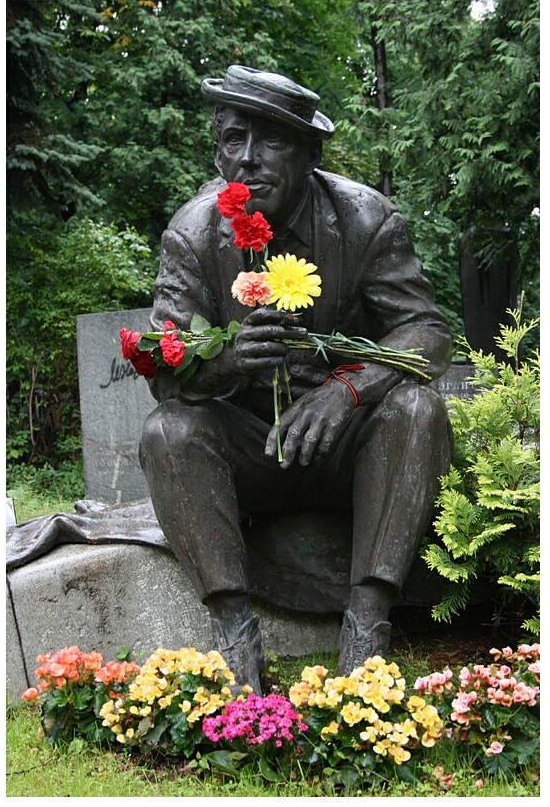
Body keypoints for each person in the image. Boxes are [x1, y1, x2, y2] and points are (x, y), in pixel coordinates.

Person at [139, 65, 453, 693]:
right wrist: (226, 362)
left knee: (417, 409)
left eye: (272, 141)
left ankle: (366, 629)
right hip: (250, 448)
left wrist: (349, 388)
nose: (249, 161)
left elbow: (426, 331)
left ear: (311, 152)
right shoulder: (194, 234)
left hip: (343, 450)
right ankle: (235, 640)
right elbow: (163, 365)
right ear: (216, 149)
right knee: (168, 431)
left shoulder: (367, 221)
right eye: (232, 141)